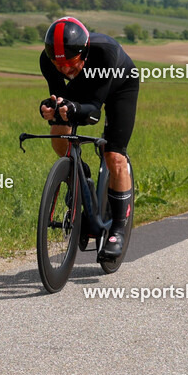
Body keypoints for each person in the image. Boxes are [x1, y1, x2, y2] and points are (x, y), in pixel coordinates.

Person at [38, 16, 139, 258]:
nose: (65, 71)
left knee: (114, 155)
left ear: (83, 53)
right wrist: (50, 108)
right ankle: (79, 175)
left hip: (119, 85)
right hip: (85, 83)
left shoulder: (104, 53)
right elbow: (59, 97)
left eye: (71, 64)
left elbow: (93, 112)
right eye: (59, 66)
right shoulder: (47, 60)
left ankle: (118, 229)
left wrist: (74, 109)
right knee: (58, 129)